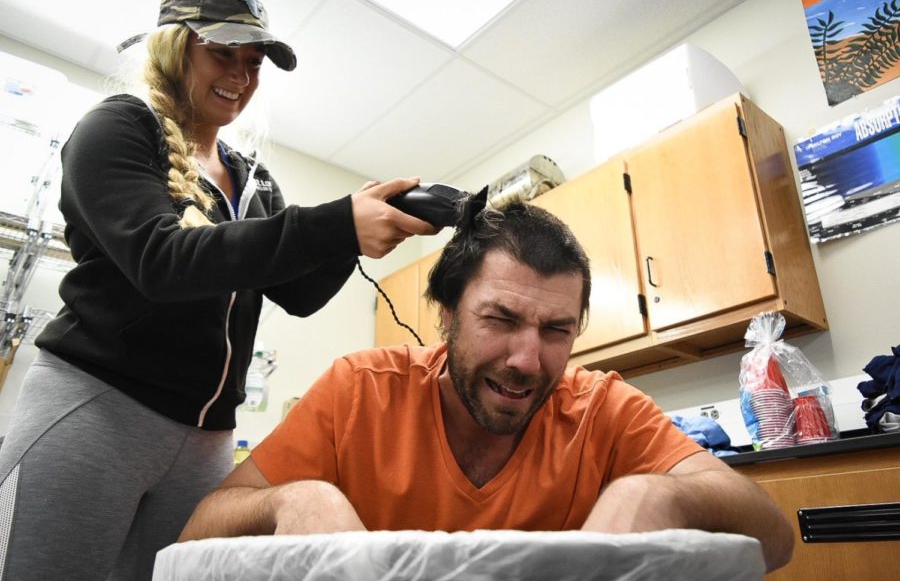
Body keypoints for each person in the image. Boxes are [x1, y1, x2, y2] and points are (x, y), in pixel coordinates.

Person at [0, 0, 434, 579]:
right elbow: (161, 259)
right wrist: (330, 224)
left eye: (254, 63)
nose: (242, 74)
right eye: (223, 52)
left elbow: (301, 296)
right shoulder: (119, 128)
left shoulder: (253, 181)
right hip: (98, 408)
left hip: (206, 439)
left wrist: (352, 233)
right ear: (177, 49)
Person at [179, 201, 795, 573]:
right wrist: (294, 501)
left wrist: (664, 498)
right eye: (500, 319)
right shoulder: (359, 391)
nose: (527, 360)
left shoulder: (602, 409)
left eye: (557, 329)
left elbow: (775, 538)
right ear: (446, 316)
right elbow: (196, 532)